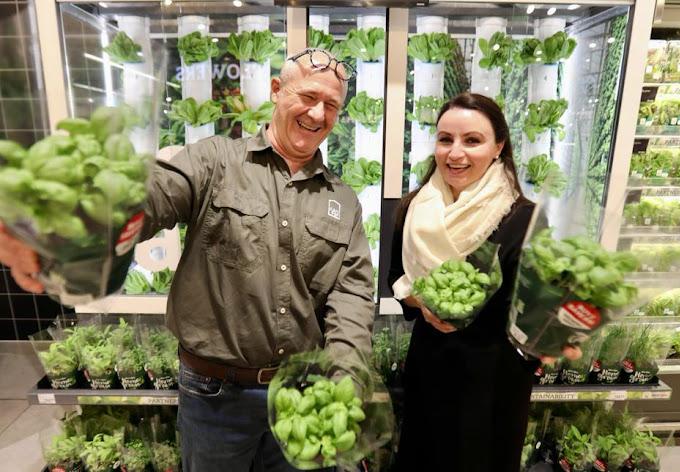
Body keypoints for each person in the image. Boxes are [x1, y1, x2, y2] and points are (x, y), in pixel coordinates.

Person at [0, 47, 375, 472]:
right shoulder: (214, 160)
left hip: (304, 398)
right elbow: (154, 195)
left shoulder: (341, 200)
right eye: (308, 96)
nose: (317, 113)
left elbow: (353, 295)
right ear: (276, 90)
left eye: (331, 105)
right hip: (216, 397)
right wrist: (72, 220)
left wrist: (346, 379)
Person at [388, 93, 580, 471]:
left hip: (493, 380)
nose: (455, 153)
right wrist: (421, 304)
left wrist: (564, 323)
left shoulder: (521, 218)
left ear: (498, 147)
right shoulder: (414, 210)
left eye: (472, 140)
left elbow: (538, 305)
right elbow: (397, 281)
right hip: (430, 366)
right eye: (446, 139)